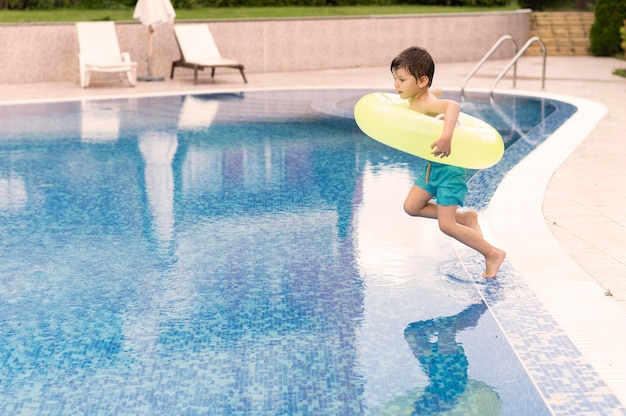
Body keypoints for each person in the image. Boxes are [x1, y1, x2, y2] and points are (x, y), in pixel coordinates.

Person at [390, 46, 506, 278]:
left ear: (422, 81)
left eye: (401, 79)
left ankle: (492, 253)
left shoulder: (426, 103)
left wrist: (446, 135)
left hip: (450, 169)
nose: (396, 85)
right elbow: (436, 95)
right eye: (395, 79)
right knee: (411, 207)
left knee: (447, 225)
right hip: (433, 166)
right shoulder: (417, 98)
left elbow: (452, 106)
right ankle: (466, 217)